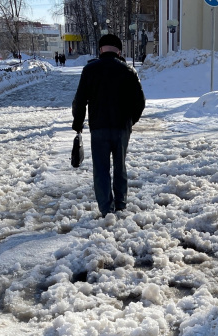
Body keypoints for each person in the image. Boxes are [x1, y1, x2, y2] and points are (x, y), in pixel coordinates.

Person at [72, 34, 145, 217]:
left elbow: (80, 100)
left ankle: (106, 209)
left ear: (101, 49)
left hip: (98, 128)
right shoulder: (128, 71)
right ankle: (120, 205)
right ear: (119, 51)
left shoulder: (90, 69)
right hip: (121, 128)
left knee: (101, 169)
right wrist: (130, 122)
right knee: (120, 167)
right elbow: (140, 102)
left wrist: (78, 124)